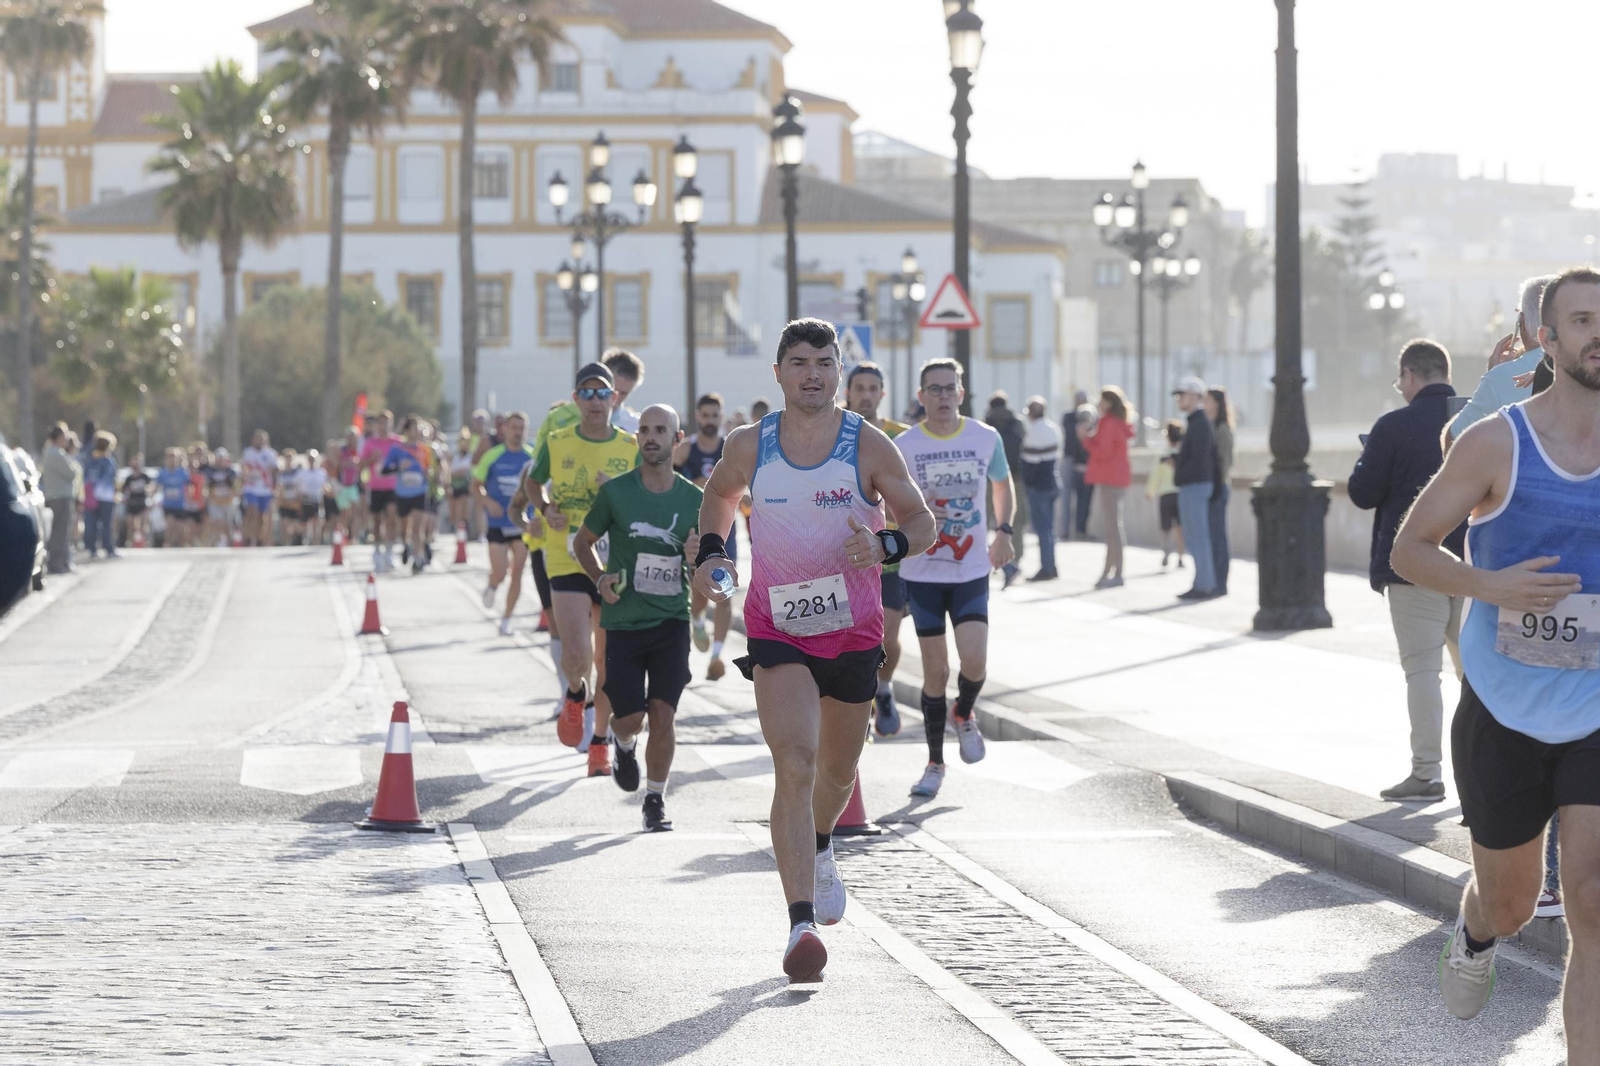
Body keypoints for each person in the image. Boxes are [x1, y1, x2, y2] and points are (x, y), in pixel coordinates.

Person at [1390, 266, 1600, 1040]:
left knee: (1593, 902)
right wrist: (1492, 585)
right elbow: (1411, 548)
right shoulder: (1495, 442)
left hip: (1596, 709)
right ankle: (1477, 933)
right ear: (1546, 338)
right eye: (1581, 320)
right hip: (1504, 707)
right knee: (1512, 904)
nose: (1597, 334)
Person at [690, 318, 934, 983]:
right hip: (777, 628)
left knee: (836, 771)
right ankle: (800, 922)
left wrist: (884, 547)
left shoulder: (867, 445)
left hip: (853, 632)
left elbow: (923, 522)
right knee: (794, 762)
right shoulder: (751, 444)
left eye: (824, 362)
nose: (813, 374)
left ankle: (823, 845)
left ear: (838, 370)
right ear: (778, 373)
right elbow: (718, 497)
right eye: (799, 362)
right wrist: (714, 554)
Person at [574, 403, 701, 831]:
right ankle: (623, 744)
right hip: (624, 621)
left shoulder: (693, 498)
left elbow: (713, 569)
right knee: (630, 717)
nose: (650, 436)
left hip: (671, 622)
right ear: (637, 439)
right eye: (644, 430)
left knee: (664, 712)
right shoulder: (616, 493)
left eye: (660, 430)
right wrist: (600, 579)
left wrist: (698, 558)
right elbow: (583, 542)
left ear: (677, 440)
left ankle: (655, 799)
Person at [1348, 340, 1466, 803]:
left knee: (1422, 671)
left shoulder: (1393, 426)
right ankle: (1484, 778)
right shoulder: (1481, 419)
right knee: (1475, 675)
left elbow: (1362, 491)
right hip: (1475, 566)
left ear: (1411, 375)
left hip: (1415, 565)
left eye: (1401, 380)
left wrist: (1370, 454)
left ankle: (1427, 773)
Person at [895, 358, 1015, 798]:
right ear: (921, 396)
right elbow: (886, 505)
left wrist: (1004, 531)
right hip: (923, 571)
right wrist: (917, 508)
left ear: (962, 394)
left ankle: (964, 713)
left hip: (970, 569)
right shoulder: (905, 446)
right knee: (934, 672)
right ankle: (934, 763)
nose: (943, 396)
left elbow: (1002, 484)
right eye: (935, 389)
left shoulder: (985, 438)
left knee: (976, 661)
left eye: (950, 389)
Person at [518, 362, 640, 777]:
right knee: (576, 653)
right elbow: (533, 483)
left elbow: (645, 492)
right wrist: (546, 507)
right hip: (566, 553)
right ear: (576, 400)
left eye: (601, 393)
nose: (594, 401)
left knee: (608, 661)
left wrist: (617, 493)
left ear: (614, 399)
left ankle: (600, 742)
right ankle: (575, 694)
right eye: (586, 394)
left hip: (613, 560)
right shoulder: (557, 439)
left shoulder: (629, 446)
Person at [841, 363, 911, 736]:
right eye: (860, 388)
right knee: (848, 640)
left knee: (888, 636)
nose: (866, 394)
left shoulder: (902, 437)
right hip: (844, 555)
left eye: (873, 388)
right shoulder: (833, 434)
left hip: (890, 557)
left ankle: (883, 688)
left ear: (882, 394)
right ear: (847, 392)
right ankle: (856, 707)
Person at [1446, 275, 1557, 449]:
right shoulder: (1585, 369)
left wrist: (1494, 376)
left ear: (1522, 323)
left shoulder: (1500, 378)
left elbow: (1453, 440)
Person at [673, 391, 737, 682]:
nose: (710, 421)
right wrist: (694, 483)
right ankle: (697, 619)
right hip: (692, 530)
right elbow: (666, 482)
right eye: (705, 415)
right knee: (699, 593)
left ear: (722, 418)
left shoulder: (732, 449)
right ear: (698, 416)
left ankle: (716, 657)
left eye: (715, 416)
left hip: (725, 531)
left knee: (726, 592)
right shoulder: (687, 450)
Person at [472, 411, 536, 635]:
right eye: (514, 428)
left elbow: (541, 488)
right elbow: (475, 485)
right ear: (505, 430)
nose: (518, 433)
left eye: (522, 428)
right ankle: (493, 584)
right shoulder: (493, 455)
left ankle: (507, 619)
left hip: (521, 523)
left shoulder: (531, 457)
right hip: (497, 522)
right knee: (500, 572)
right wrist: (487, 502)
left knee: (518, 571)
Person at [1079, 387, 1134, 588]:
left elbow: (1104, 451)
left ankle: (1116, 572)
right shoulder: (1116, 423)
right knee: (1113, 527)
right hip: (1116, 478)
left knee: (1113, 528)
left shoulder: (1109, 423)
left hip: (1110, 478)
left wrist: (1086, 439)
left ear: (1109, 403)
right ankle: (1110, 571)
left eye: (1102, 400)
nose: (1098, 404)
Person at [1172, 376, 1218, 600]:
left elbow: (1199, 460)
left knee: (1197, 536)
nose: (1179, 399)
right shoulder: (1196, 422)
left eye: (1182, 395)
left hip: (1195, 485)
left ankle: (1204, 584)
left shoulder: (1199, 424)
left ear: (1195, 396)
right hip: (1194, 484)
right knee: (1194, 535)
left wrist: (1181, 470)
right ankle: (1203, 582)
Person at [984, 392, 1025, 587]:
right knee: (1011, 522)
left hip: (988, 479)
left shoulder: (987, 423)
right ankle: (1012, 560)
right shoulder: (1017, 422)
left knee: (980, 523)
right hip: (1014, 477)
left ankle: (995, 563)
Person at [382, 416, 434, 573]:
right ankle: (406, 545)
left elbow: (429, 468)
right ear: (406, 430)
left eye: (418, 428)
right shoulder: (397, 449)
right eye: (413, 428)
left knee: (418, 528)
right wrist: (399, 467)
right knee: (405, 529)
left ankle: (418, 559)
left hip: (420, 492)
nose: (417, 431)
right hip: (402, 493)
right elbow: (385, 470)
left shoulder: (424, 449)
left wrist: (429, 473)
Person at [1019, 396, 1062, 582]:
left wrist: (1026, 483)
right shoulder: (1053, 428)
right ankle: (1051, 565)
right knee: (1050, 530)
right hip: (1053, 482)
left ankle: (1047, 567)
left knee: (1042, 530)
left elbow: (1030, 463)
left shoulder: (1033, 432)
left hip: (1039, 487)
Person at [1205, 386, 1236, 595]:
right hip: (1211, 486)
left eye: (1207, 400)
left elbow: (1226, 462)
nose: (1204, 404)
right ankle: (1213, 579)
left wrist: (1217, 486)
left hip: (1219, 487)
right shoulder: (1208, 425)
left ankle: (1221, 582)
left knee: (1218, 536)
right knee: (1211, 536)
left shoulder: (1222, 428)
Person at [361, 411, 400, 570]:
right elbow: (361, 465)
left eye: (387, 422)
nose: (384, 426)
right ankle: (377, 551)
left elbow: (403, 461)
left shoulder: (397, 442)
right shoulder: (371, 442)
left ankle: (390, 552)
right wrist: (372, 459)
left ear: (391, 424)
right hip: (376, 487)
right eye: (381, 422)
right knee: (377, 521)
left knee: (391, 516)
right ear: (377, 424)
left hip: (392, 486)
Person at [1145, 420, 1185, 568]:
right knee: (1180, 527)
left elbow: (1155, 475)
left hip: (1165, 494)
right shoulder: (1183, 455)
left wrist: (1150, 491)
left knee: (1165, 527)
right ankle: (1181, 556)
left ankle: (1166, 551)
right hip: (1180, 494)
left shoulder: (1163, 455)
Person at [40, 424, 79, 572]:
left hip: (57, 496)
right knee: (60, 532)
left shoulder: (50, 452)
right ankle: (56, 563)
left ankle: (62, 562)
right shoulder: (56, 453)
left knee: (61, 531)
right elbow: (71, 473)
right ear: (58, 438)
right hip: (60, 497)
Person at [1061, 391, 1095, 540]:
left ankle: (1080, 530)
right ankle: (1065, 530)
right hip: (1070, 460)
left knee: (1084, 499)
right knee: (1067, 497)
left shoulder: (1092, 421)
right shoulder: (1069, 417)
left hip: (1086, 463)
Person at [81, 432, 119, 560]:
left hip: (91, 496)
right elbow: (113, 479)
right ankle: (108, 548)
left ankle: (92, 548)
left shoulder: (90, 460)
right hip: (106, 496)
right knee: (107, 524)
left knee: (91, 523)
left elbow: (85, 478)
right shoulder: (109, 461)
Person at [240, 431, 277, 547]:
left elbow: (276, 470)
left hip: (265, 489)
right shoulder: (248, 452)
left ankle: (261, 538)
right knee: (252, 512)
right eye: (257, 439)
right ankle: (249, 538)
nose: (259, 441)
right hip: (251, 488)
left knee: (262, 516)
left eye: (261, 439)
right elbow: (244, 468)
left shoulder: (271, 454)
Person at [155, 448, 191, 549]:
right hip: (168, 504)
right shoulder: (162, 473)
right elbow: (157, 487)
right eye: (170, 458)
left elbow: (188, 486)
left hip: (180, 504)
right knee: (169, 526)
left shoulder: (182, 473)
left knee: (180, 529)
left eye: (174, 458)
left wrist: (188, 498)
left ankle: (181, 547)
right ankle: (166, 546)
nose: (172, 461)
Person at [121, 453, 150, 548]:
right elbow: (124, 490)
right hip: (131, 502)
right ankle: (129, 542)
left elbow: (151, 487)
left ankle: (143, 542)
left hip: (142, 501)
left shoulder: (144, 476)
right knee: (130, 524)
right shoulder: (129, 478)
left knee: (142, 523)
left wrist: (148, 490)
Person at [449, 428, 474, 535]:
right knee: (455, 509)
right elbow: (450, 471)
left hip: (465, 486)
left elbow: (468, 471)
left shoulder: (471, 456)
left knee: (464, 507)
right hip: (454, 485)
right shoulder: (454, 456)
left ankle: (464, 528)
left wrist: (459, 472)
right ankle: (455, 527)